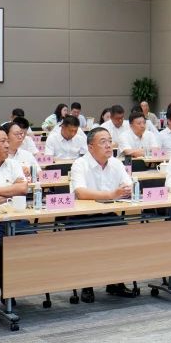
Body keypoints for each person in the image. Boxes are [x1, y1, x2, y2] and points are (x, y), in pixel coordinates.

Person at [70, 127, 137, 298]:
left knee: (125, 235)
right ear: (90, 147)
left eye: (109, 141)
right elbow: (80, 193)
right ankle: (87, 284)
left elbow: (128, 185)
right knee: (90, 239)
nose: (108, 145)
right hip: (81, 217)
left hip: (107, 214)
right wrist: (111, 194)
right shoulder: (80, 164)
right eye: (103, 142)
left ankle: (115, 282)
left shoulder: (116, 163)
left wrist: (127, 190)